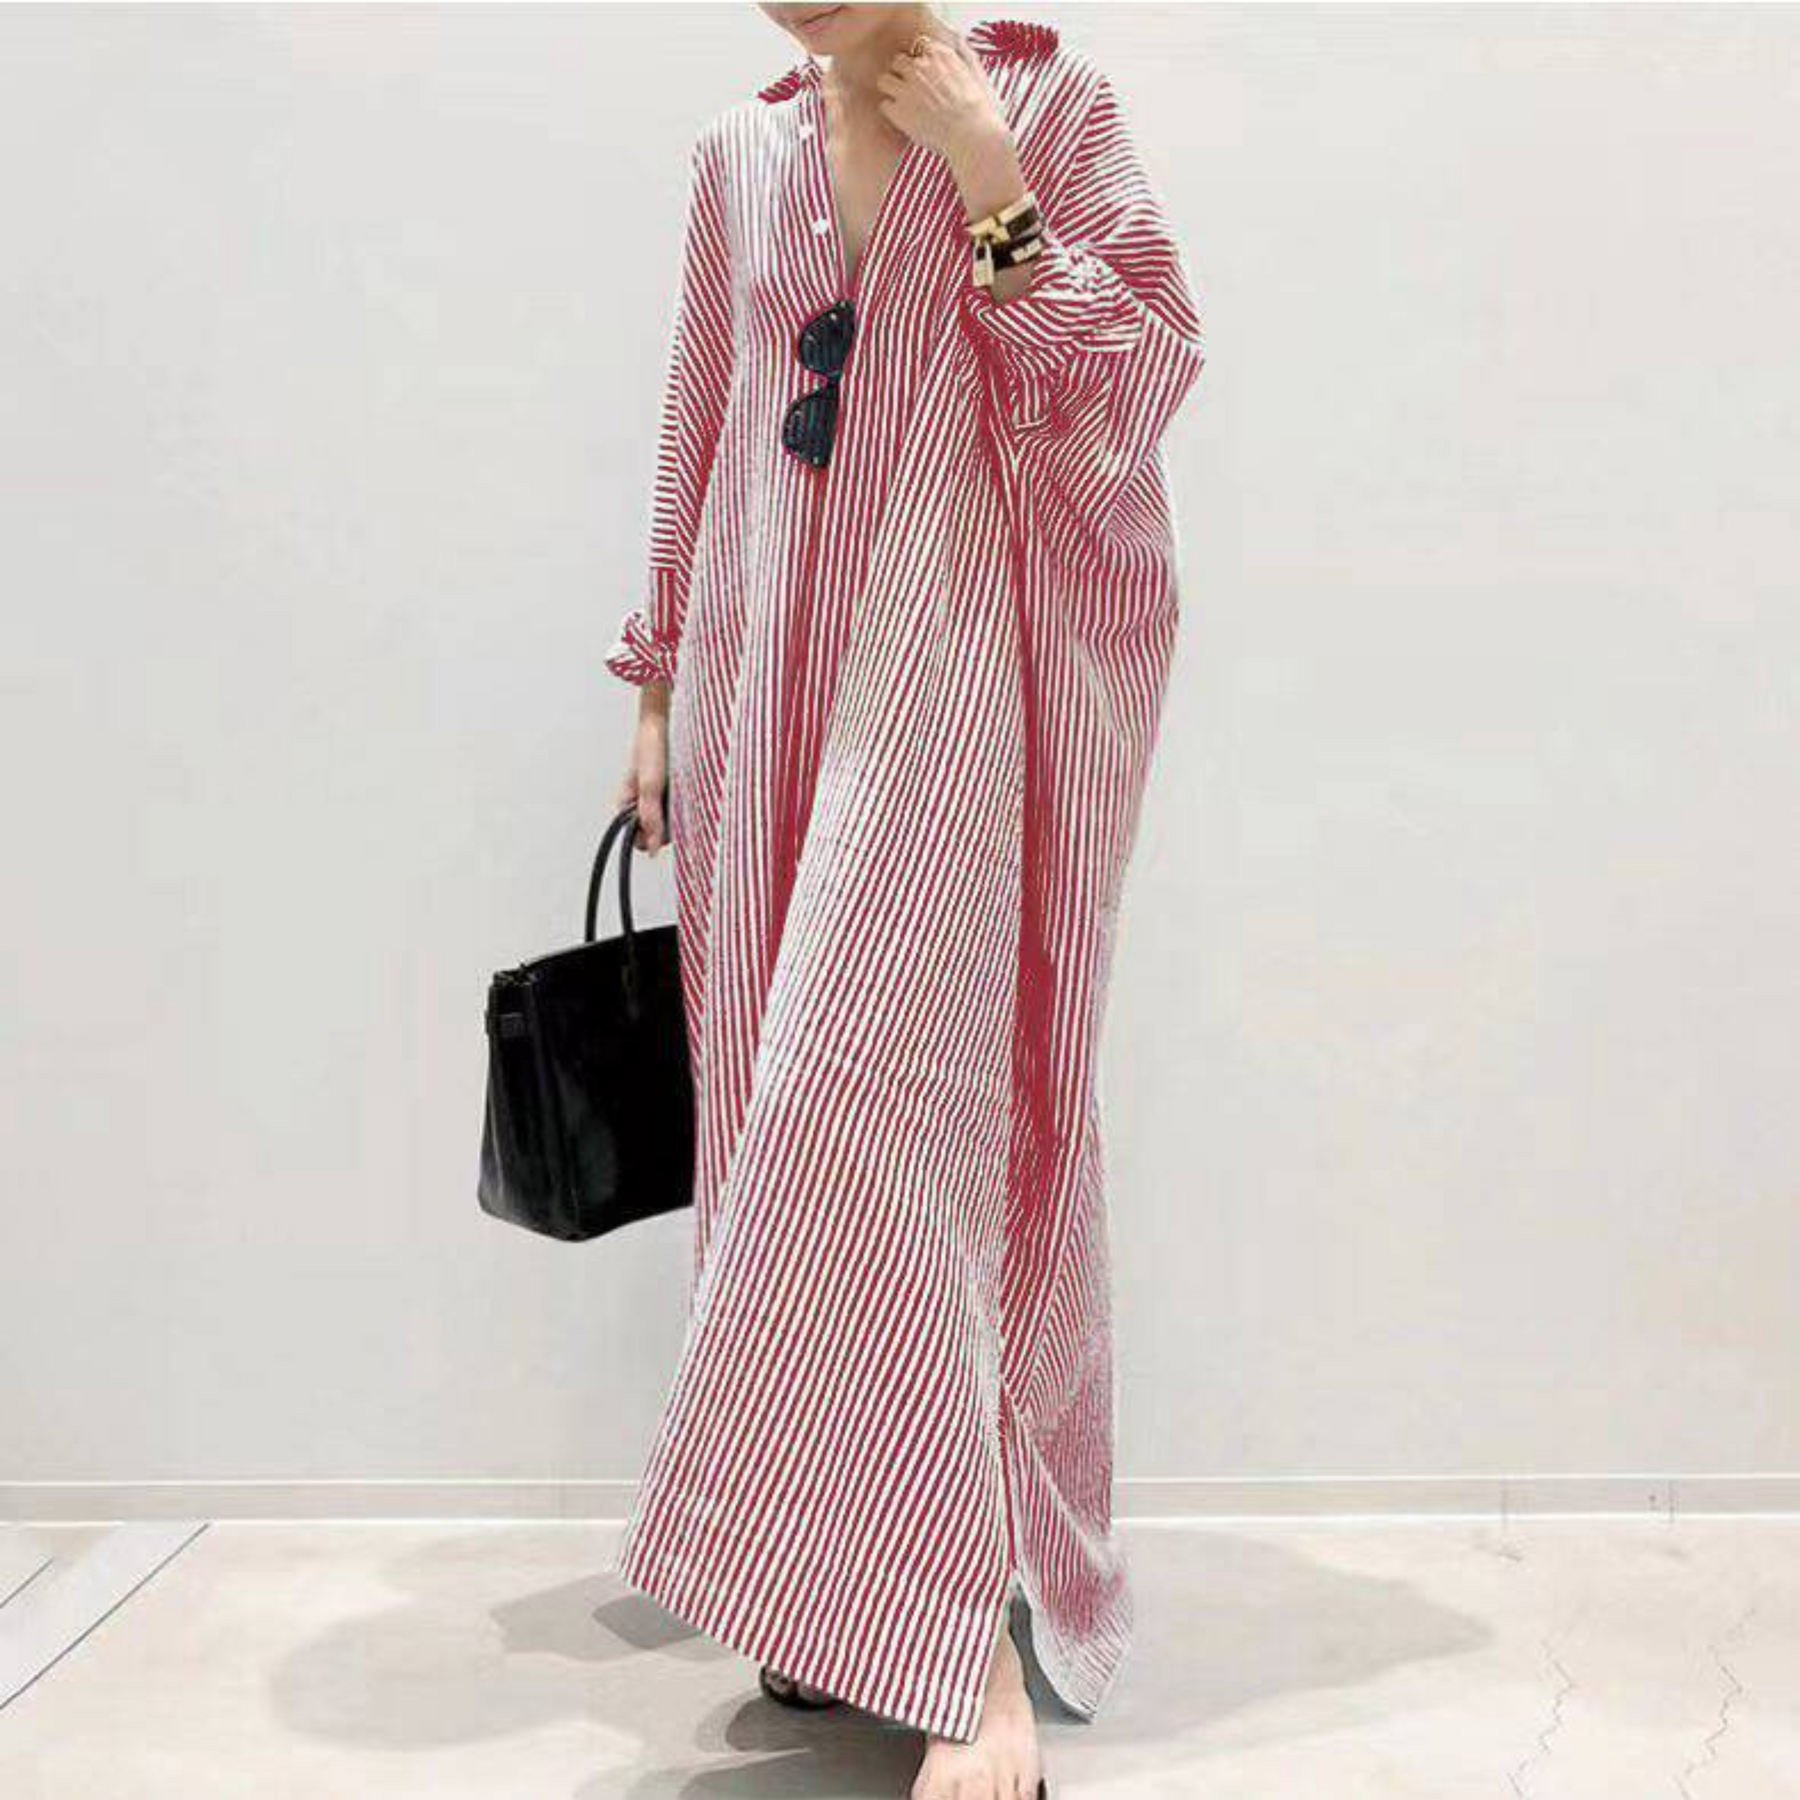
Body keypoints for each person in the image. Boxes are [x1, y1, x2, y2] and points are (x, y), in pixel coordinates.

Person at [604, 7, 1205, 1797]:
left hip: (951, 682)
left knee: (901, 1125)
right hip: (759, 681)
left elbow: (1136, 378)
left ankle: (968, 1646)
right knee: (771, 1126)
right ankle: (825, 1577)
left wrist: (991, 176)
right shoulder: (741, 150)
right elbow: (700, 415)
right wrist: (655, 693)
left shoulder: (1046, 102)